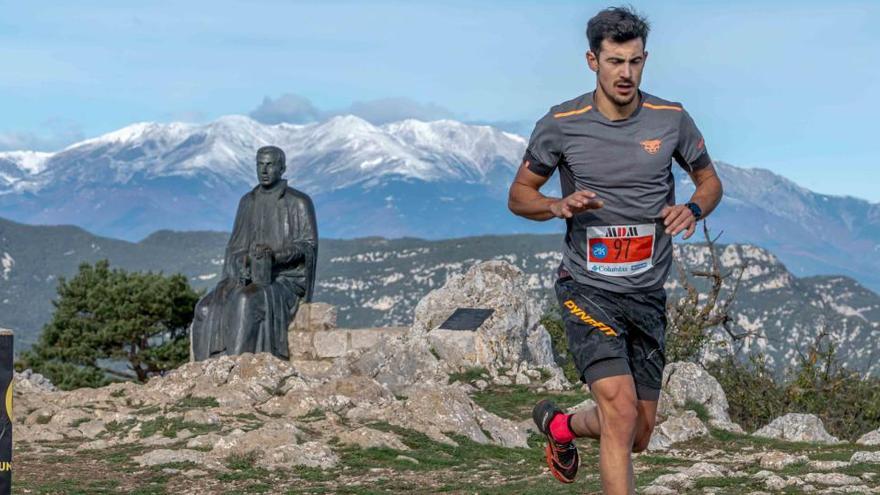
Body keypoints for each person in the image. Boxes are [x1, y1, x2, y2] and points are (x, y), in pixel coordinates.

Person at [507, 6, 723, 494]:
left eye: (635, 62)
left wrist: (693, 208)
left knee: (638, 431)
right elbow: (518, 196)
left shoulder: (672, 120)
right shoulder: (562, 123)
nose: (625, 73)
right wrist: (556, 205)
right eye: (614, 62)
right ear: (592, 61)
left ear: (645, 60)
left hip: (646, 294)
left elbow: (709, 181)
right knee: (620, 411)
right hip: (588, 288)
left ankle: (560, 427)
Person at [190, 145, 318, 361]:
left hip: (283, 279)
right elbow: (235, 246)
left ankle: (236, 365)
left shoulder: (299, 202)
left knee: (245, 301)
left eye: (270, 165)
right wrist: (242, 262)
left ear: (282, 168)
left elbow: (308, 246)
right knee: (205, 308)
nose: (264, 171)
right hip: (246, 274)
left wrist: (276, 256)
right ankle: (204, 370)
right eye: (260, 165)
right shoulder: (248, 202)